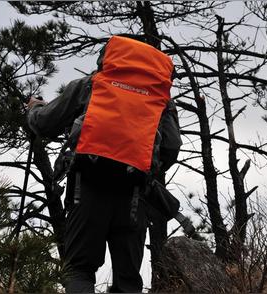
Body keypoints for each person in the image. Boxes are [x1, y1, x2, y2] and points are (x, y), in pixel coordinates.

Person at [27, 35, 181, 293]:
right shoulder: (161, 100)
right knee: (128, 281)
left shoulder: (91, 85)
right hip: (134, 195)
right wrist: (142, 165)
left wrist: (32, 110)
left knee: (79, 269)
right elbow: (171, 147)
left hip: (87, 186)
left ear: (107, 59)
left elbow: (44, 123)